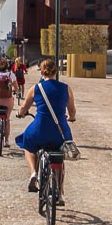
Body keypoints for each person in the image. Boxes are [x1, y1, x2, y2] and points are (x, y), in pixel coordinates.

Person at [16, 57, 76, 204]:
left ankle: (33, 173)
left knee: (27, 144)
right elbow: (72, 111)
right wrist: (71, 117)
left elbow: (24, 108)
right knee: (59, 158)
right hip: (59, 132)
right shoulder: (66, 88)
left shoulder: (36, 88)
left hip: (39, 129)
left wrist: (20, 113)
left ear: (42, 72)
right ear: (56, 71)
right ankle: (60, 193)